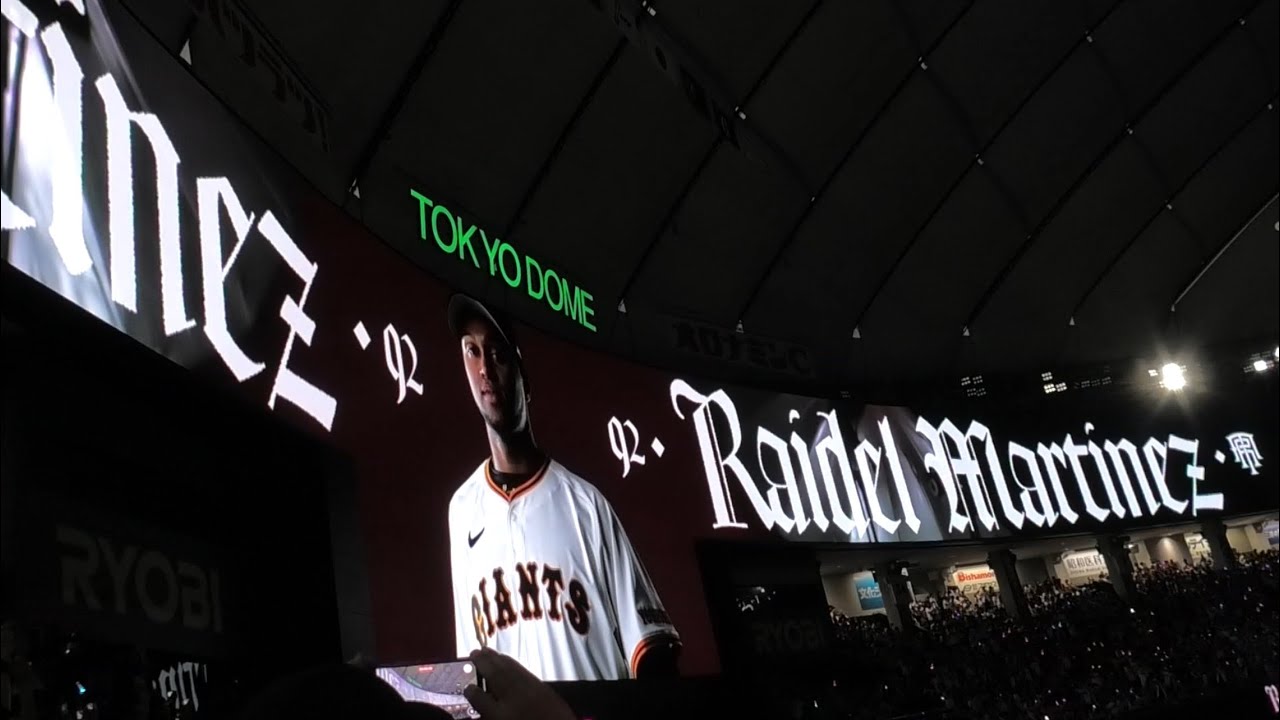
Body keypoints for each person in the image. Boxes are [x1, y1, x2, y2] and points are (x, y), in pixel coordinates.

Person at [445, 294, 680, 681]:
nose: (485, 368)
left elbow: (652, 651)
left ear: (523, 376)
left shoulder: (586, 505)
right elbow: (471, 668)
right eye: (473, 351)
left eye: (498, 353)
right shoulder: (461, 510)